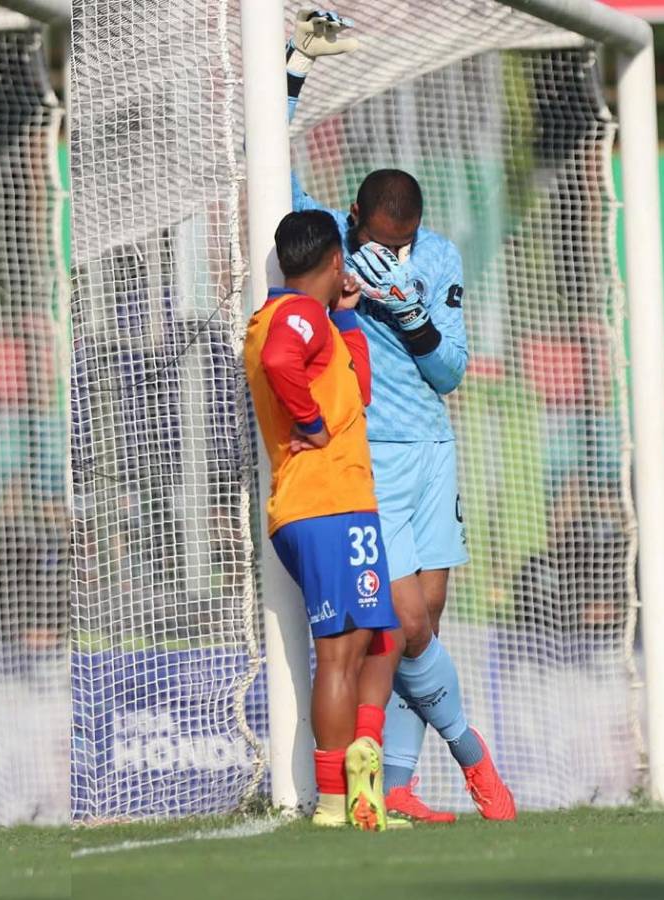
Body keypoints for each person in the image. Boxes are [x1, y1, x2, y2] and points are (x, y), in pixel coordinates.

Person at [284, 9, 515, 821]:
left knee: (426, 622)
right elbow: (267, 161)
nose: (392, 251)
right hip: (369, 455)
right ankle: (472, 754)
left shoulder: (438, 256)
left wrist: (410, 311)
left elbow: (449, 370)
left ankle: (402, 785)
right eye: (382, 240)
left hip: (432, 451)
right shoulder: (329, 241)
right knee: (405, 622)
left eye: (403, 241)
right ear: (355, 217)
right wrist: (293, 73)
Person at [245, 210, 403, 831]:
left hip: (319, 506)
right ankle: (339, 802)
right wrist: (310, 424)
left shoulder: (303, 318)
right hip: (330, 502)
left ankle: (361, 784)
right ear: (336, 261)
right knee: (339, 655)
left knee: (378, 639)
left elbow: (357, 390)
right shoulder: (297, 317)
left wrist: (348, 316)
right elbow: (282, 360)